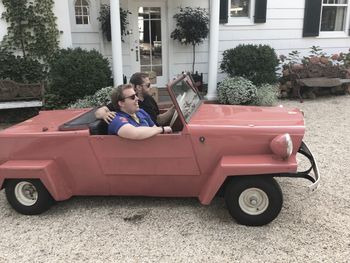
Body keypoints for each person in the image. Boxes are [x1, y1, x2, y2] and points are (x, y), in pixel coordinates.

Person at [95, 72, 175, 126]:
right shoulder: (127, 101)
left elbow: (157, 119)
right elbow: (99, 111)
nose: (150, 87)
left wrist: (174, 109)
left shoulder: (149, 98)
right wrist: (105, 114)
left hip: (152, 132)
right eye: (148, 85)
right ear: (139, 87)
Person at [108, 84, 172, 140]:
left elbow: (154, 128)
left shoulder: (140, 112)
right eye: (132, 97)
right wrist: (162, 129)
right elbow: (135, 133)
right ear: (121, 103)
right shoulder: (116, 120)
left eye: (136, 95)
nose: (137, 98)